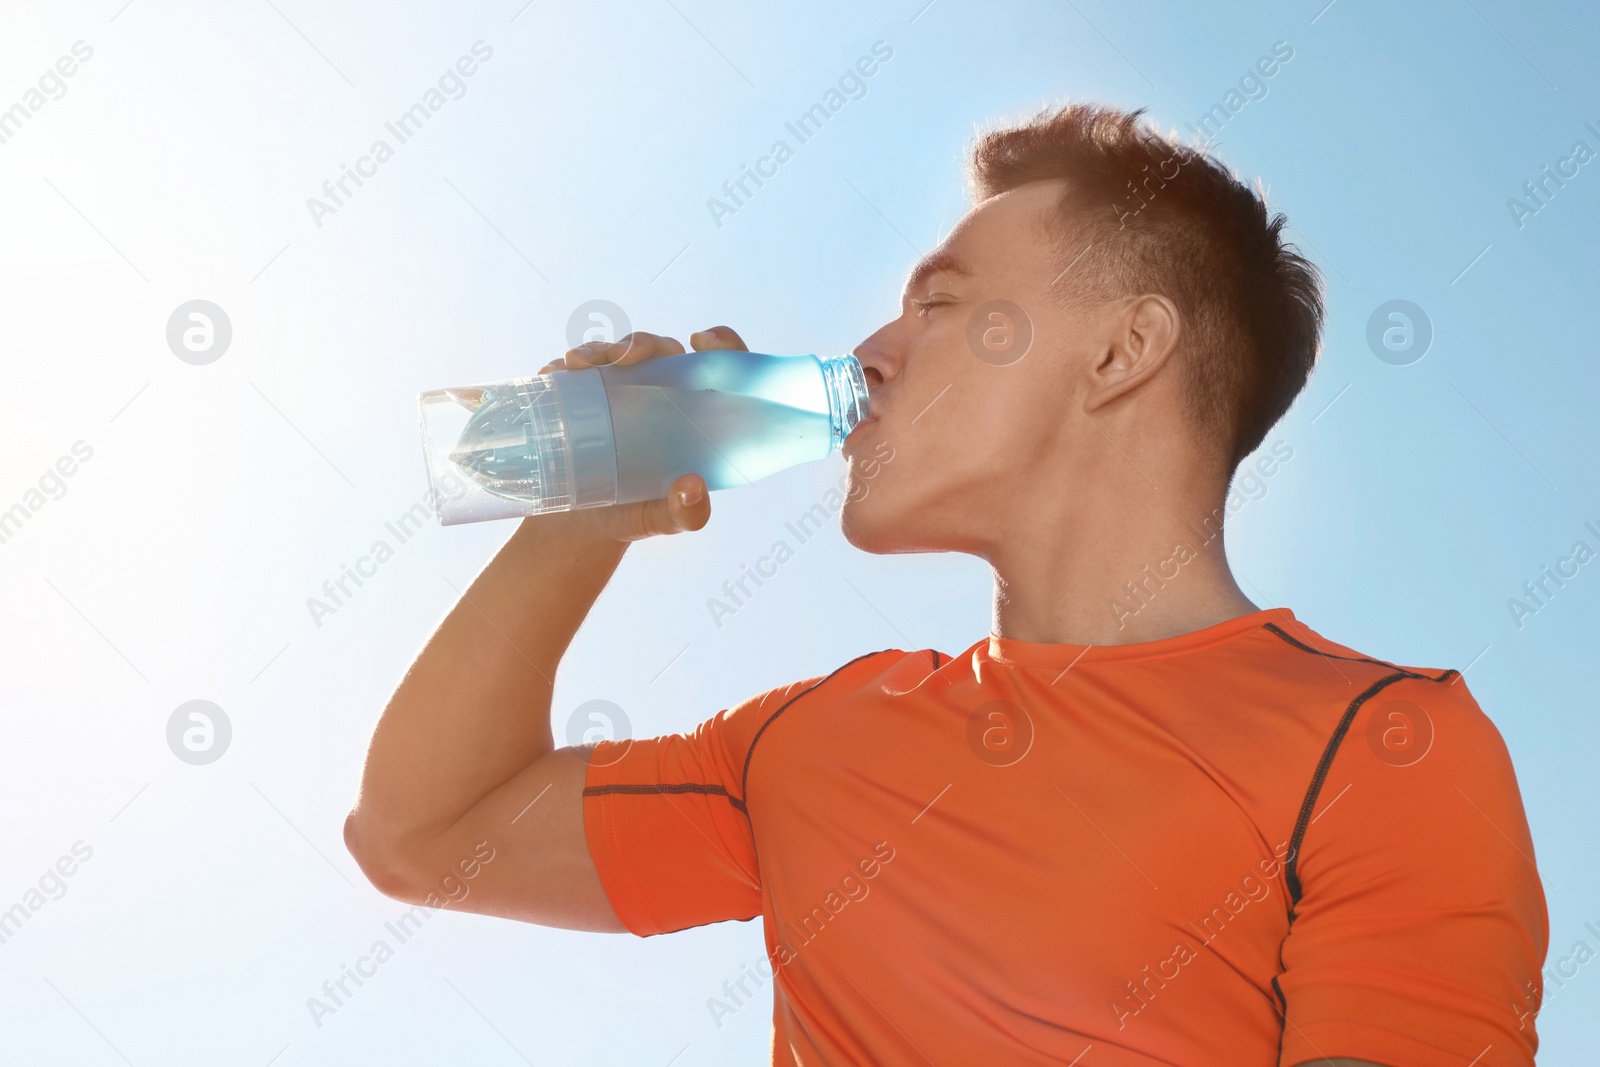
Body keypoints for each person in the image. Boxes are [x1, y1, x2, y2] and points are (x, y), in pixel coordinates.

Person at [344, 103, 1547, 1065]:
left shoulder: (1385, 748)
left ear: (1121, 352)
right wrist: (584, 520)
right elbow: (423, 829)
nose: (873, 349)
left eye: (941, 301)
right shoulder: (811, 739)